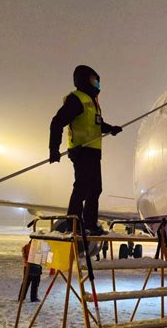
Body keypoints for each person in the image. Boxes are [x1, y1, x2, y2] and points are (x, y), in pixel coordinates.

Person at [49, 65, 122, 235]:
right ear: (83, 80)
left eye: (97, 81)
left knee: (95, 188)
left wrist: (110, 129)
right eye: (93, 80)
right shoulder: (77, 100)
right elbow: (57, 122)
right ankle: (72, 224)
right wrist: (54, 148)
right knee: (82, 187)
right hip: (81, 151)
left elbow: (96, 125)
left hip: (94, 152)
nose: (97, 84)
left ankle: (90, 224)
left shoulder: (92, 103)